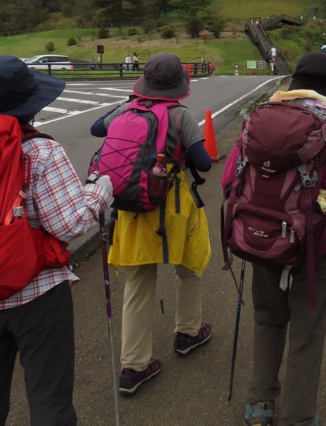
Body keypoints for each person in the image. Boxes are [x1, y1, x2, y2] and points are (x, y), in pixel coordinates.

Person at [0, 55, 114, 425]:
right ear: (30, 106)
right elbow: (69, 224)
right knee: (50, 401)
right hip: (36, 294)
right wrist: (99, 191)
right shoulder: (40, 150)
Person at [223, 52, 326, 426]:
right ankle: (298, 416)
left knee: (268, 319)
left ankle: (260, 404)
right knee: (306, 335)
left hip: (262, 241)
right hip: (315, 249)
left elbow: (229, 183)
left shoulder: (258, 120)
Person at [93, 52, 214, 396]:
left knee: (138, 284)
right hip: (173, 207)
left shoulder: (128, 109)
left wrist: (127, 105)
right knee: (188, 267)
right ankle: (188, 332)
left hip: (132, 208)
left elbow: (96, 128)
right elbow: (203, 164)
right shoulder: (180, 115)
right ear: (179, 84)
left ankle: (134, 367)